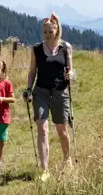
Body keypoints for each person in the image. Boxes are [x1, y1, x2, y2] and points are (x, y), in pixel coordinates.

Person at [23, 13, 76, 181]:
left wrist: (71, 75)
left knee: (61, 129)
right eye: (44, 32)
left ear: (56, 30)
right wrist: (28, 89)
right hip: (41, 92)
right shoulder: (36, 49)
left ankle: (67, 159)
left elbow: (71, 71)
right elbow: (32, 72)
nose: (46, 35)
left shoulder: (66, 47)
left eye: (50, 32)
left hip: (60, 92)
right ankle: (45, 168)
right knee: (43, 129)